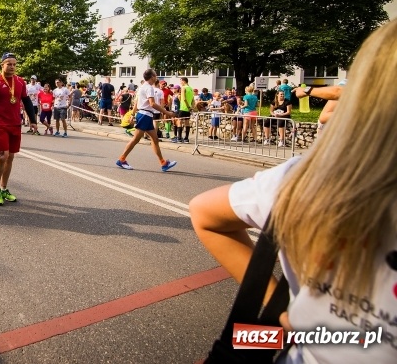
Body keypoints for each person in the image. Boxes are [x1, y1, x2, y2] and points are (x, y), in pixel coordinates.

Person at [189, 20, 397, 364]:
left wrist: (280, 309)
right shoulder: (304, 173)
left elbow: (204, 213)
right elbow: (329, 114)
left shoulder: (301, 175)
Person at [0, 53, 38, 205]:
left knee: (11, 157)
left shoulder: (20, 81)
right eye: (9, 64)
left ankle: (4, 188)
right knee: (2, 156)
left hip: (15, 123)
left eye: (14, 64)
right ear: (2, 65)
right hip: (0, 124)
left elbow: (26, 101)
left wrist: (33, 121)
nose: (12, 66)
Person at [115, 69, 178, 172]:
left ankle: (163, 163)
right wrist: (168, 113)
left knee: (155, 139)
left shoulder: (142, 87)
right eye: (155, 75)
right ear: (152, 77)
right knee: (135, 139)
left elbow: (137, 102)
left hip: (146, 115)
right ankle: (121, 159)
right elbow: (152, 104)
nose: (156, 77)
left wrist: (133, 114)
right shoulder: (149, 88)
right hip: (145, 115)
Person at [176, 77, 196, 143]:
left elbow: (184, 99)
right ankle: (186, 138)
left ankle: (179, 138)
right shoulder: (190, 88)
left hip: (183, 107)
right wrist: (191, 107)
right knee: (187, 123)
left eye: (181, 81)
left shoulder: (183, 88)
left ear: (183, 81)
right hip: (188, 109)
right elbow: (193, 100)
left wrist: (187, 106)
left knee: (179, 122)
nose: (180, 83)